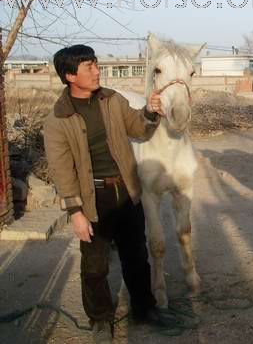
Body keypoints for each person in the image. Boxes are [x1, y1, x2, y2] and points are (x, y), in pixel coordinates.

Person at [44, 45, 169, 343]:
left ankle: (144, 308)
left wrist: (150, 112)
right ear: (70, 75)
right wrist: (75, 212)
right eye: (88, 67)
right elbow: (62, 171)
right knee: (95, 265)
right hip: (93, 199)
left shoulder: (112, 100)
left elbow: (138, 128)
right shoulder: (57, 120)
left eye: (96, 64)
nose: (97, 70)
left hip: (126, 190)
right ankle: (100, 319)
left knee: (136, 256)